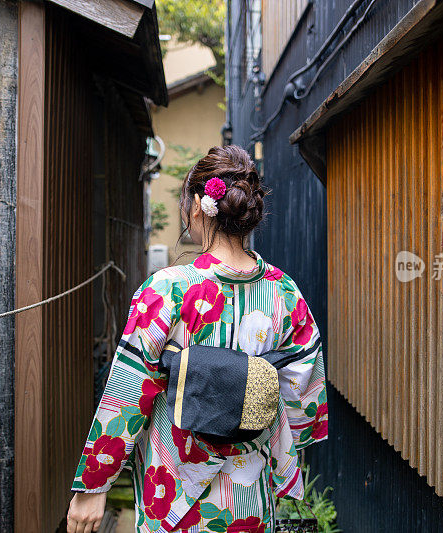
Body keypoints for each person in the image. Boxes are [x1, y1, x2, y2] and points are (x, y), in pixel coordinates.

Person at [67, 145, 327, 533]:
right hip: (249, 492)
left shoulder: (168, 289)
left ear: (194, 207)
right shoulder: (285, 293)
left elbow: (127, 392)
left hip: (173, 495)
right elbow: (306, 409)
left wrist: (93, 485)